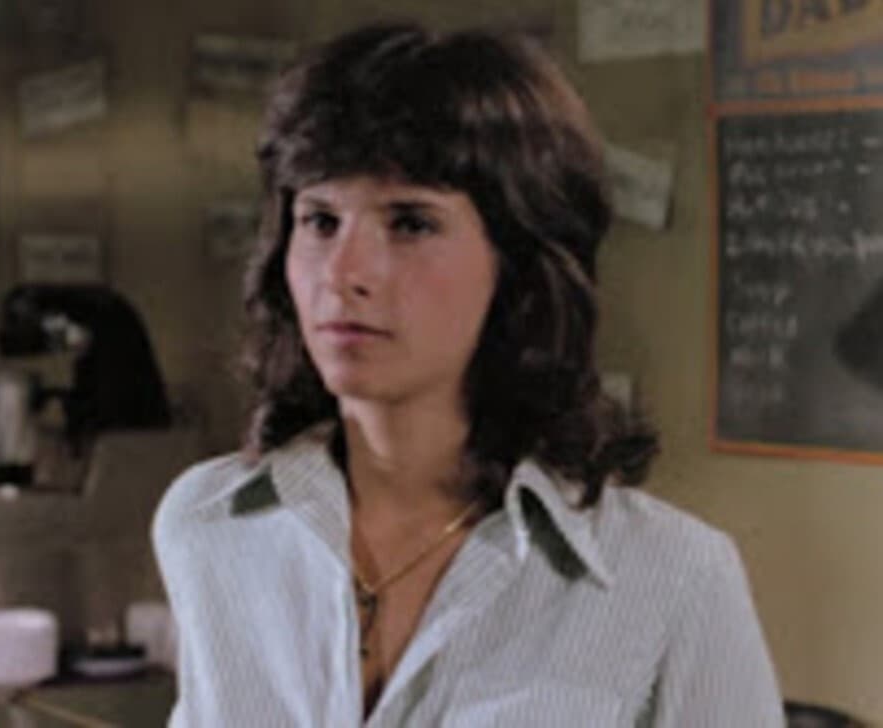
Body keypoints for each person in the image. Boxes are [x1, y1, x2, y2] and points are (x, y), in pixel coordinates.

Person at [152, 22, 783, 726]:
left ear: (517, 264)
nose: (343, 273)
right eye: (320, 221)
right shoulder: (207, 524)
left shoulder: (675, 579)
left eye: (409, 223)